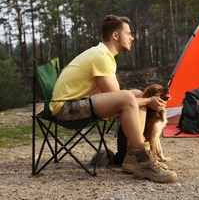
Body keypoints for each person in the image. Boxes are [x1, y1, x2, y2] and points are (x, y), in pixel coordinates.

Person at [50, 14, 177, 183]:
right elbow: (120, 99)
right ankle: (145, 162)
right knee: (129, 97)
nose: (132, 37)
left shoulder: (102, 54)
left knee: (137, 94)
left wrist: (143, 99)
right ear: (116, 36)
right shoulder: (101, 56)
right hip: (67, 109)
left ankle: (131, 159)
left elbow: (121, 99)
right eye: (129, 33)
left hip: (79, 103)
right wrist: (148, 102)